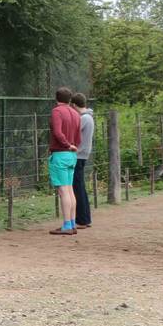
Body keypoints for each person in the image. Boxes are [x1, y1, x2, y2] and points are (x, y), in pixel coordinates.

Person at [48, 87, 81, 235]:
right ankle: (72, 223)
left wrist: (66, 144)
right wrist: (73, 146)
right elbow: (79, 136)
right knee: (70, 189)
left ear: (57, 98)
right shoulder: (75, 113)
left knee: (63, 190)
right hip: (72, 155)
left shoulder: (57, 111)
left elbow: (57, 132)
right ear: (69, 99)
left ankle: (67, 225)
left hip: (61, 154)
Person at [72, 93, 94, 229]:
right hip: (82, 155)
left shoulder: (84, 118)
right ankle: (85, 218)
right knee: (80, 187)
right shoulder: (88, 117)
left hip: (79, 155)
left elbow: (73, 131)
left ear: (74, 105)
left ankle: (81, 220)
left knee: (77, 188)